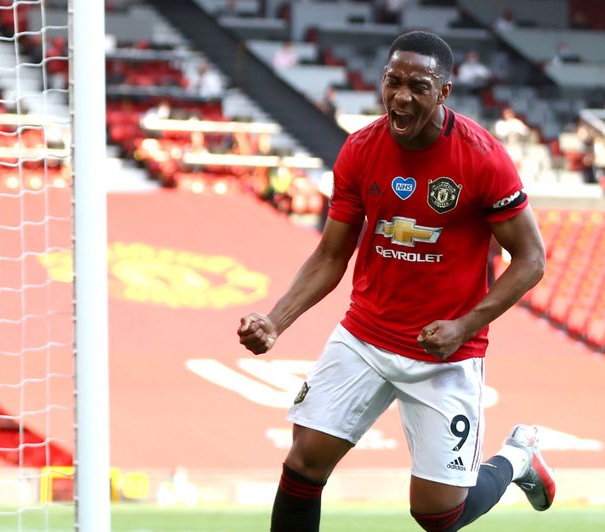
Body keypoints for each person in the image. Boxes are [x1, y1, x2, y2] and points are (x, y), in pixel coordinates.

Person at [237, 30, 554, 532]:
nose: (401, 97)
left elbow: (531, 259)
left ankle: (516, 460)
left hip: (444, 353)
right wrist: (276, 321)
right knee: (303, 462)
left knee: (437, 516)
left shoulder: (483, 158)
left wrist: (464, 326)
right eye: (393, 81)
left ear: (443, 93)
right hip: (365, 337)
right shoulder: (361, 150)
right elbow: (330, 255)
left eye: (418, 87)